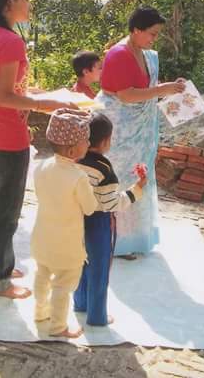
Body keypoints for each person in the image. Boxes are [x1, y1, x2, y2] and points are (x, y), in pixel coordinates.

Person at [0, 0, 66, 299]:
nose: (29, 4)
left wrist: (40, 94)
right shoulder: (11, 41)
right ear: (9, 3)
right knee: (5, 210)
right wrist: (45, 104)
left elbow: (3, 88)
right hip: (7, 135)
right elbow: (4, 96)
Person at [96, 6, 185, 257]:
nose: (154, 39)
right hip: (119, 130)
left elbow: (146, 87)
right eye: (152, 34)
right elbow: (125, 95)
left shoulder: (145, 54)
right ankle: (114, 239)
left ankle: (134, 237)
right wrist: (163, 90)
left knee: (138, 178)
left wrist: (173, 88)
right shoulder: (118, 54)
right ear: (136, 30)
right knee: (120, 179)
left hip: (139, 131)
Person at [74, 112, 147, 326]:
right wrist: (137, 189)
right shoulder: (104, 169)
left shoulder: (74, 161)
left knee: (79, 262)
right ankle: (97, 316)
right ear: (106, 141)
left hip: (76, 219)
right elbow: (112, 203)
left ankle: (80, 303)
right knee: (99, 268)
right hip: (98, 222)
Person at [31, 109, 95, 338]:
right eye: (85, 140)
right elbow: (90, 207)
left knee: (42, 276)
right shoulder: (78, 177)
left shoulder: (40, 166)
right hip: (67, 244)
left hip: (42, 237)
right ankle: (59, 326)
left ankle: (40, 313)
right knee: (63, 285)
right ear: (71, 150)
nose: (89, 144)